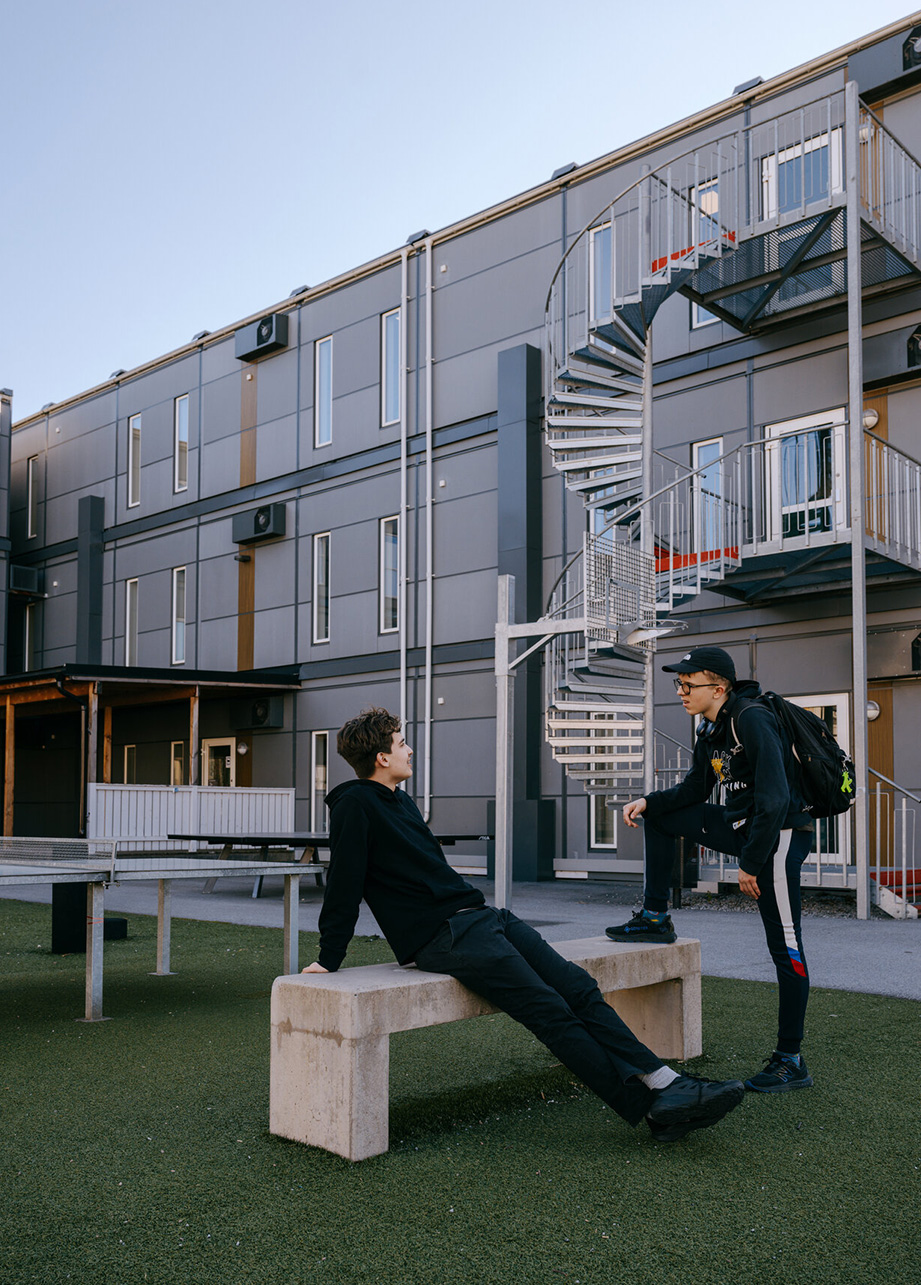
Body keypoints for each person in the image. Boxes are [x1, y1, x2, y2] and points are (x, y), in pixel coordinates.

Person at [302, 706, 745, 1143]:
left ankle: (665, 1081)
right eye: (402, 744)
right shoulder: (353, 805)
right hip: (443, 936)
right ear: (382, 758)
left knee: (578, 988)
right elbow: (345, 883)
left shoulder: (400, 799)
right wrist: (328, 958)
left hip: (482, 918)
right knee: (548, 1009)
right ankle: (649, 1107)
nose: (410, 750)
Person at [605, 646, 815, 1094]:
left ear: (718, 687)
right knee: (661, 817)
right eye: (678, 684)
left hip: (778, 838)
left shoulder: (752, 718)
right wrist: (649, 802)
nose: (680, 691)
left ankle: (790, 1059)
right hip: (745, 829)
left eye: (688, 684)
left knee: (787, 947)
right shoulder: (711, 727)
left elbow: (776, 800)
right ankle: (655, 917)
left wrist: (750, 864)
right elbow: (696, 788)